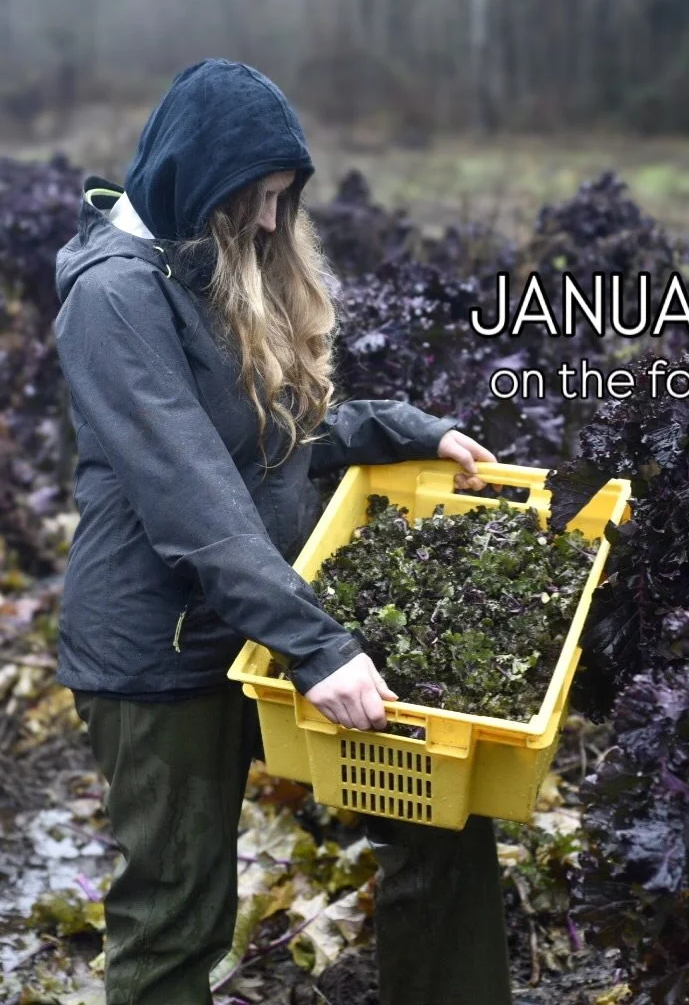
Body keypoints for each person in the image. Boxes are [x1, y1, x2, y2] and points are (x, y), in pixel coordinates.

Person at [53, 58, 513, 1005]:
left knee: (442, 819)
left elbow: (274, 436)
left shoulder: (199, 265)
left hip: (261, 623)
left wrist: (407, 430)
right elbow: (192, 497)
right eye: (257, 197)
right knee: (176, 914)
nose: (271, 222)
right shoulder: (113, 297)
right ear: (195, 176)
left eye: (281, 199)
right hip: (162, 657)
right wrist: (317, 645)